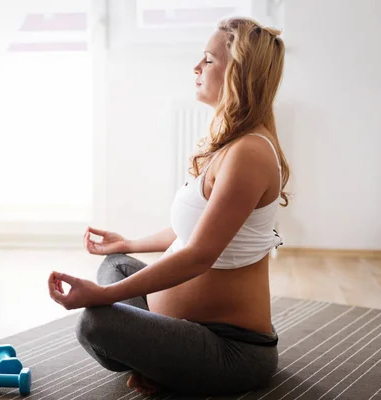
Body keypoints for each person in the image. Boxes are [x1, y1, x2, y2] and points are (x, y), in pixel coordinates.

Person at [48, 16, 290, 397]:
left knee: (95, 324)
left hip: (232, 348)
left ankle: (165, 363)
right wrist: (125, 244)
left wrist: (104, 296)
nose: (196, 67)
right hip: (187, 326)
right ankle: (163, 361)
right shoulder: (229, 142)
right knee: (116, 266)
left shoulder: (251, 153)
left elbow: (198, 255)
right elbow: (188, 233)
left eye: (208, 60)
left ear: (238, 74)